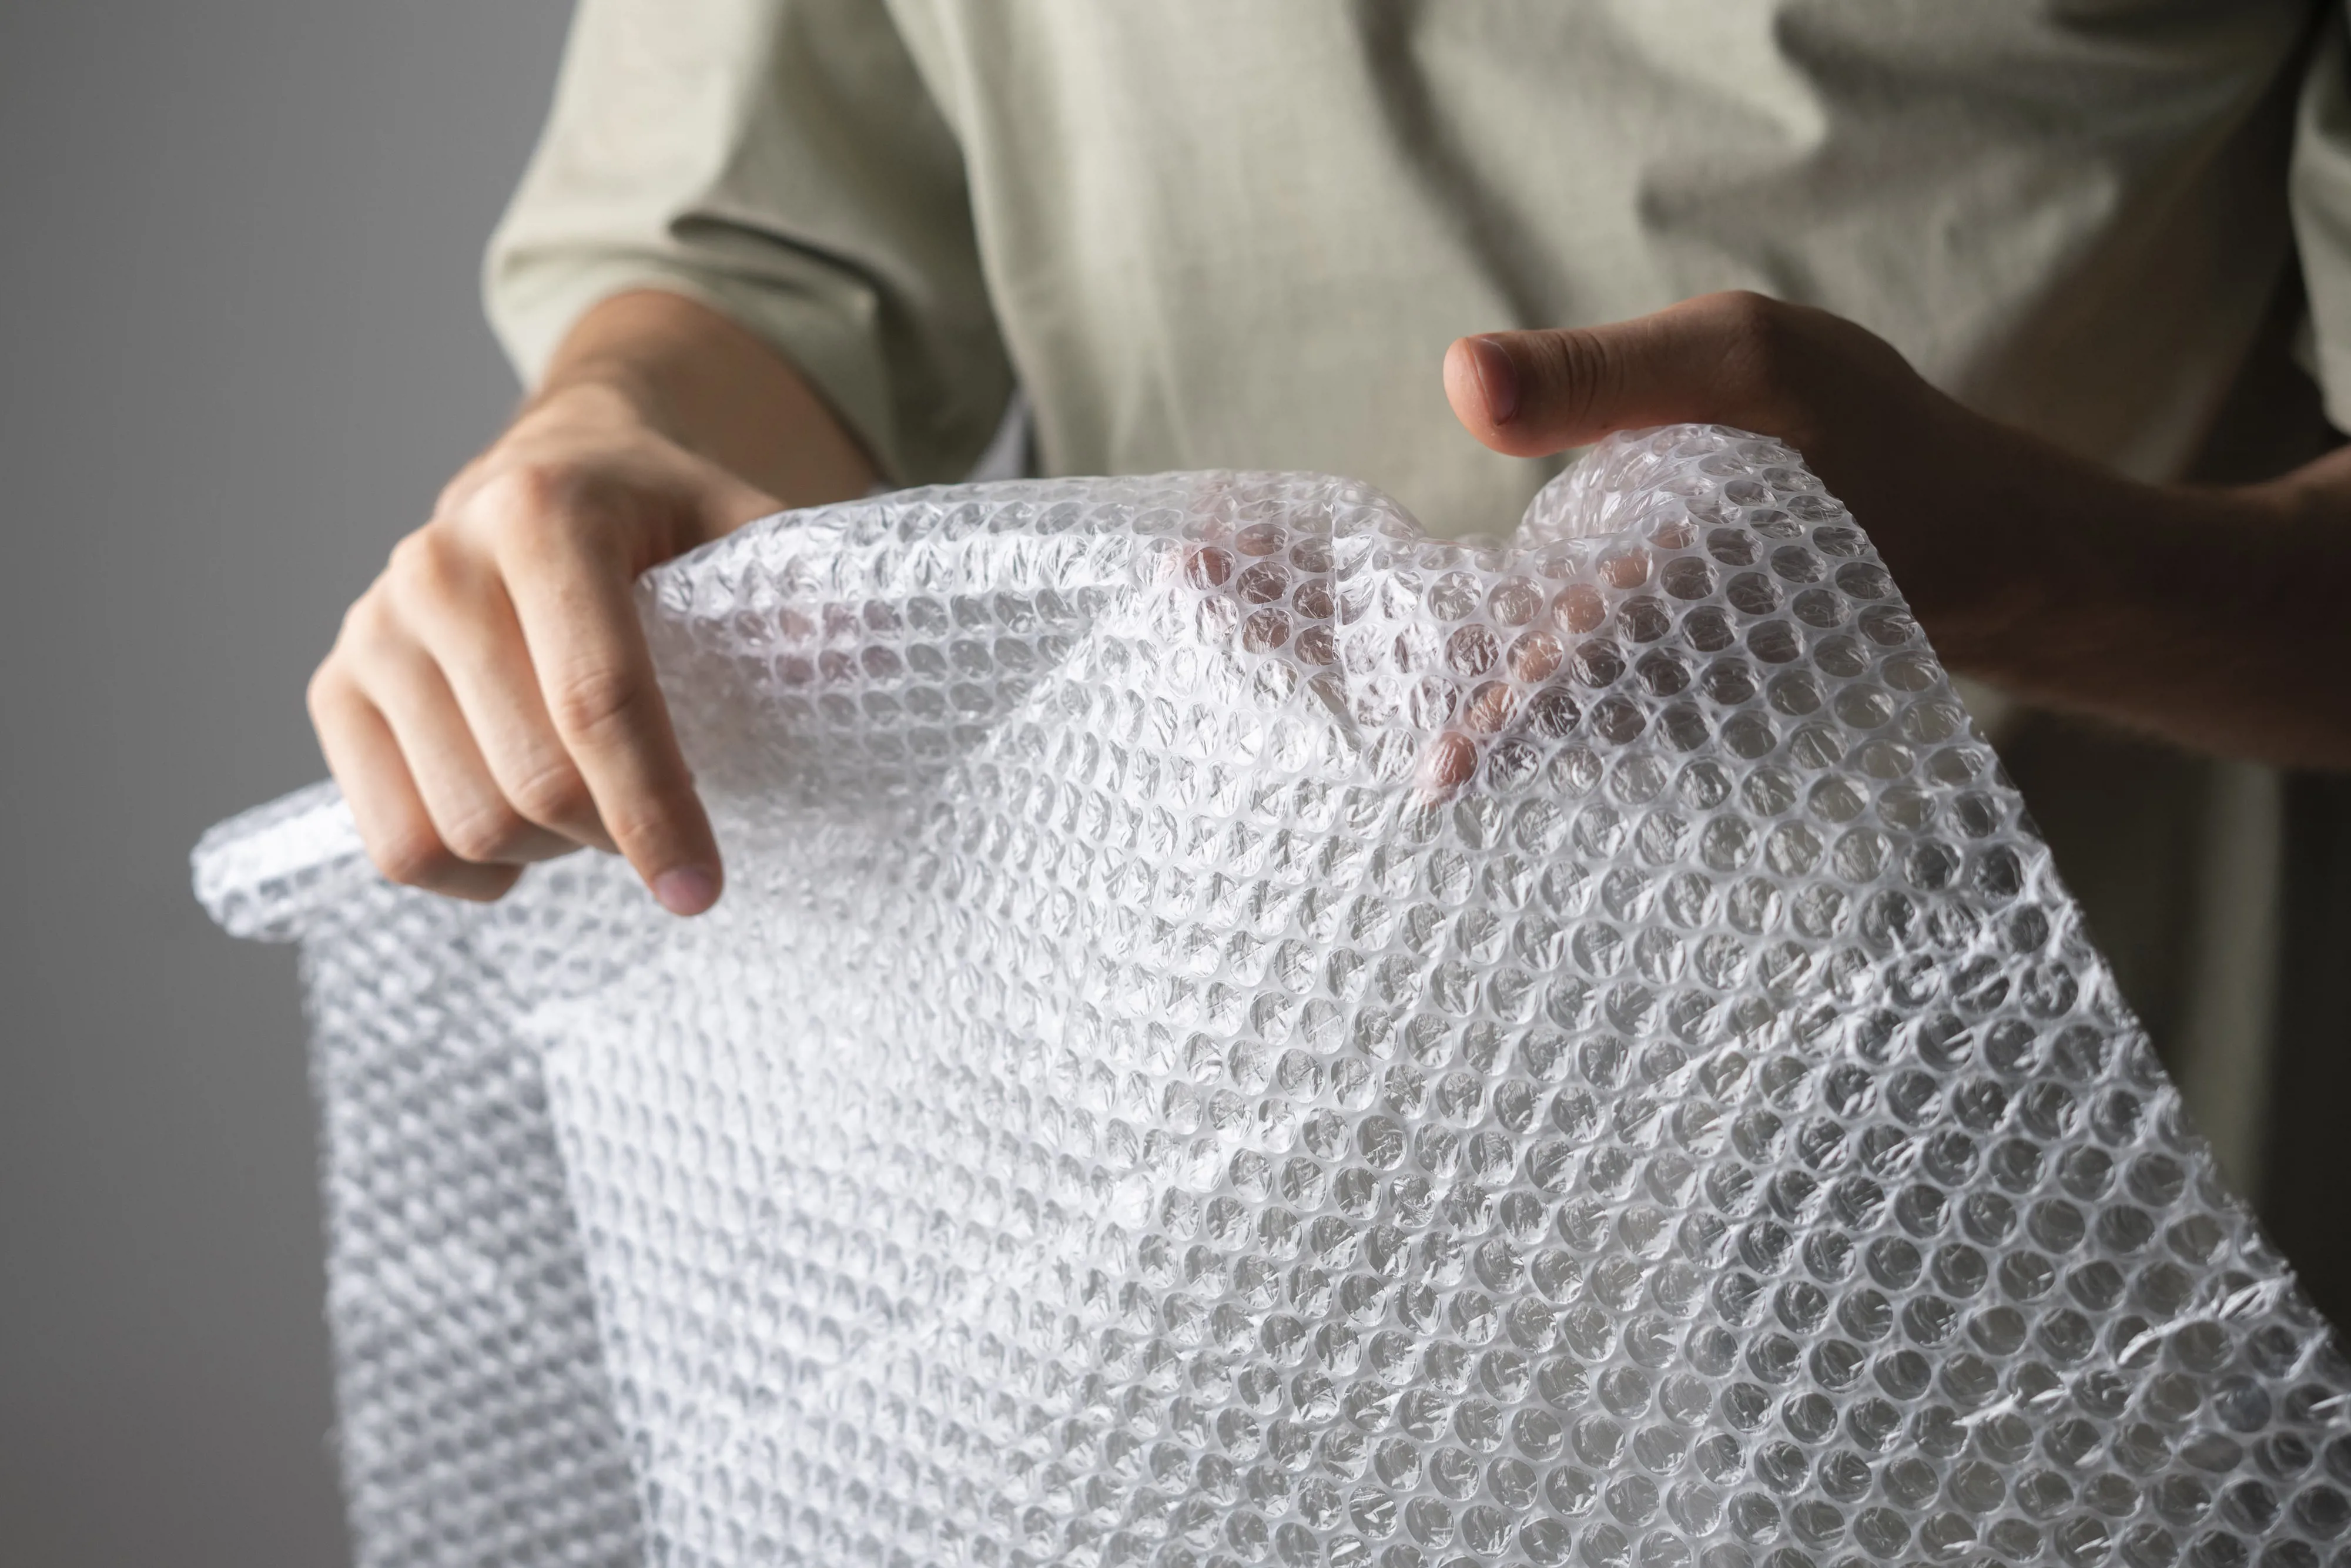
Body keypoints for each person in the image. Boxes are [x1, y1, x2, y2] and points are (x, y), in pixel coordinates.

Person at [308, 1, 2351, 918]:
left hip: (2058, 1327)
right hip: (1208, 1268)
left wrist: (2020, 572)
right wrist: (615, 436)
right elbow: (758, 253)